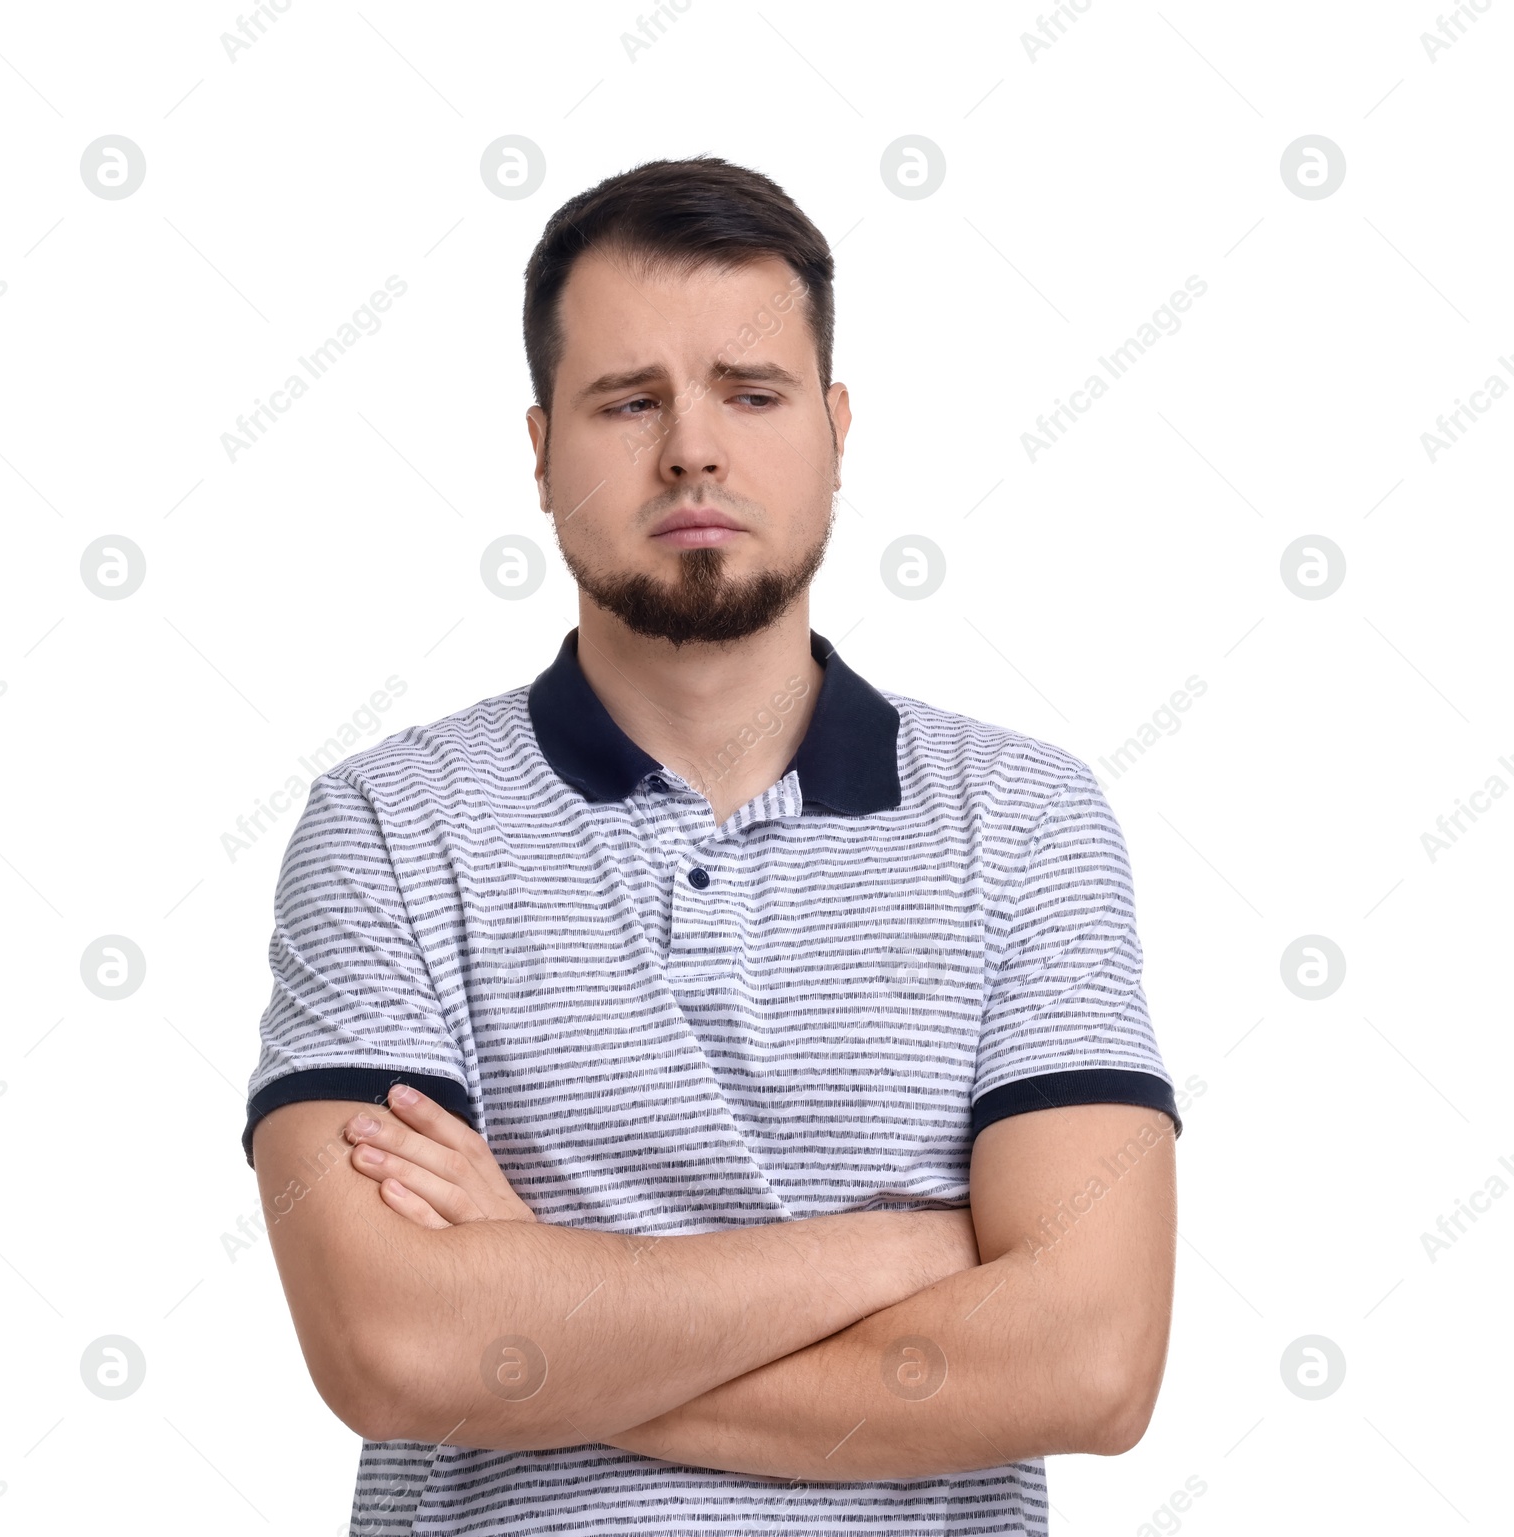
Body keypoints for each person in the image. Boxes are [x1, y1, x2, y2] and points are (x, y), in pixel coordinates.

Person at [242, 155, 1181, 1535]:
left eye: (750, 393)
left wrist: (542, 1299)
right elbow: (397, 1349)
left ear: (836, 429)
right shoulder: (390, 827)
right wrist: (909, 1247)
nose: (692, 447)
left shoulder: (1027, 823)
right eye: (629, 401)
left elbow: (1089, 1364)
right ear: (542, 446)